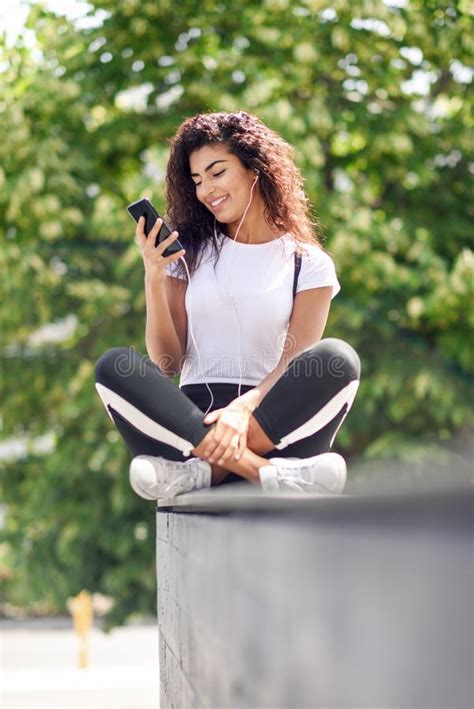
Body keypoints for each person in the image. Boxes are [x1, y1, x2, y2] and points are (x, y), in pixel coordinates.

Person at [94, 110, 361, 500]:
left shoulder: (307, 263)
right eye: (197, 180)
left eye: (217, 173)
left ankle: (202, 473)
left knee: (338, 359)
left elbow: (294, 358)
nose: (206, 191)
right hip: (190, 426)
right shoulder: (189, 256)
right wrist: (154, 277)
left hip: (272, 423)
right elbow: (167, 362)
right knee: (113, 367)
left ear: (254, 169)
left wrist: (242, 411)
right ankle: (263, 473)